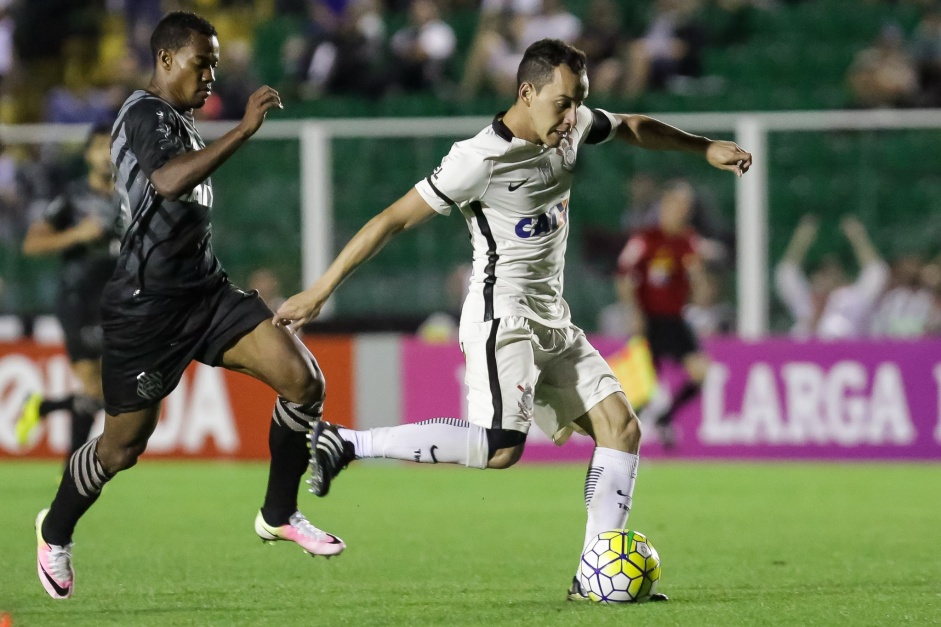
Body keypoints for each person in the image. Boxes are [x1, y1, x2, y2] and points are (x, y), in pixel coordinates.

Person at [273, 38, 751, 601]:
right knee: (502, 448)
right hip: (503, 315)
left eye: (580, 102)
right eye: (564, 103)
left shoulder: (570, 126)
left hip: (554, 318)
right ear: (526, 92)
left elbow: (629, 125)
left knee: (622, 428)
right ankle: (348, 442)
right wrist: (322, 289)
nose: (574, 117)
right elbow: (391, 220)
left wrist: (704, 148)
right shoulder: (478, 158)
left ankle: (593, 577)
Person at [34, 12, 344, 601]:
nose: (210, 76)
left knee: (303, 382)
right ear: (168, 59)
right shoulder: (144, 114)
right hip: (146, 309)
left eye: (216, 65)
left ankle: (278, 513)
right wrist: (244, 129)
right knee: (120, 449)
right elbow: (170, 182)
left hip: (205, 292)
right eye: (203, 63)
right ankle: (54, 531)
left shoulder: (180, 121)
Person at [15, 124, 123, 463]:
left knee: (108, 392)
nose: (107, 154)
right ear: (89, 155)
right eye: (100, 147)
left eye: (113, 146)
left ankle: (44, 406)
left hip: (117, 301)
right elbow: (32, 244)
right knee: (94, 388)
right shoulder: (71, 198)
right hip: (78, 300)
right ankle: (72, 467)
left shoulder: (131, 199)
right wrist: (77, 235)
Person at [616, 180, 710, 449]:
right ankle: (625, 441)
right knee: (644, 388)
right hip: (649, 321)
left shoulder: (688, 240)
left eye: (686, 207)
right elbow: (623, 275)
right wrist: (633, 311)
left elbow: (697, 278)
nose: (682, 211)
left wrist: (699, 288)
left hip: (676, 320)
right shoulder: (645, 238)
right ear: (665, 205)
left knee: (701, 372)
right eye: (678, 205)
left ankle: (666, 418)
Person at [775, 214, 889, 339]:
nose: (827, 278)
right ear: (813, 276)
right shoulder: (803, 301)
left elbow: (876, 273)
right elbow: (786, 273)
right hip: (802, 357)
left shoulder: (851, 300)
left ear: (841, 276)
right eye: (823, 271)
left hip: (844, 357)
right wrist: (801, 239)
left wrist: (858, 238)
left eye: (833, 272)